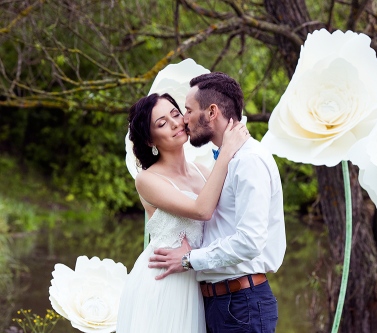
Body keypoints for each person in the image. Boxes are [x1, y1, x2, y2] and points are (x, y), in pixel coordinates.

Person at [149, 72, 287, 333]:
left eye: (188, 110)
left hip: (242, 304)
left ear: (211, 112)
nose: (184, 119)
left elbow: (250, 241)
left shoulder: (248, 161)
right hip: (219, 303)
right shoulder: (224, 161)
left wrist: (189, 260)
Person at [115, 92, 250, 333]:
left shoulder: (201, 171)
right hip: (161, 282)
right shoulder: (147, 179)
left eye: (176, 114)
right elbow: (202, 210)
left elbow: (226, 217)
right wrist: (227, 151)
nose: (175, 123)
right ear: (150, 140)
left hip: (194, 279)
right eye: (162, 123)